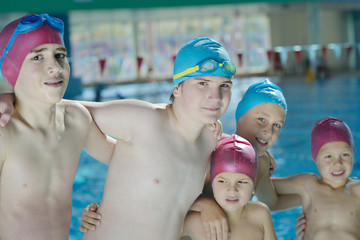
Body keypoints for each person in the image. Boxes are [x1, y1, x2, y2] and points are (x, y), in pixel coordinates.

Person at [76, 37, 233, 239]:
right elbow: (68, 111)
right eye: (203, 83)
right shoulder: (144, 119)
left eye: (225, 86)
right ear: (177, 88)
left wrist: (206, 204)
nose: (216, 96)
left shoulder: (212, 140)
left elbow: (171, 193)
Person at [0, 14, 115, 240]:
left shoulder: (77, 120)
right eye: (37, 57)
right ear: (11, 68)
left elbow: (129, 161)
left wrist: (107, 208)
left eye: (60, 55)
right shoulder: (5, 133)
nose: (54, 66)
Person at [186, 79, 303, 240]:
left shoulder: (261, 162)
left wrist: (314, 198)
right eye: (261, 119)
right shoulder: (211, 153)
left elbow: (271, 202)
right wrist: (205, 205)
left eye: (276, 125)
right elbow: (166, 200)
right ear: (240, 116)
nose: (268, 132)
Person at [262, 117, 360, 240]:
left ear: (353, 154)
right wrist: (261, 159)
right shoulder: (308, 185)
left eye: (345, 155)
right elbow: (263, 190)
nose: (338, 164)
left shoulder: (357, 190)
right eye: (328, 156)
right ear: (315, 158)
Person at [180, 134, 277, 240]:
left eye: (242, 182)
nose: (232, 190)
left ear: (253, 186)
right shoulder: (195, 221)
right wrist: (202, 205)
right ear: (212, 184)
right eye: (222, 181)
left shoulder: (260, 214)